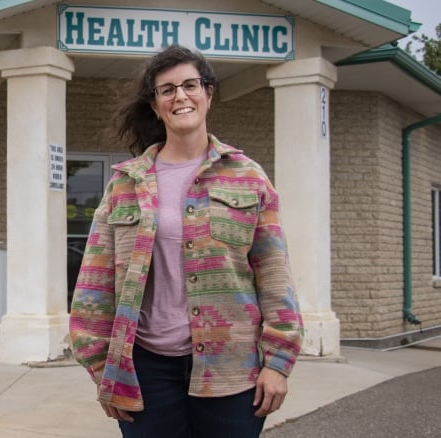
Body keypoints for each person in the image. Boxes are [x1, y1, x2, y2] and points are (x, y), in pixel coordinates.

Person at [68, 45, 304, 437]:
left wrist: (278, 362)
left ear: (209, 94)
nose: (180, 96)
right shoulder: (125, 183)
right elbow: (94, 281)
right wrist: (100, 367)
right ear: (156, 105)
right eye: (167, 89)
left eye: (190, 85)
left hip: (232, 369)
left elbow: (275, 274)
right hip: (145, 369)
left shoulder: (248, 177)